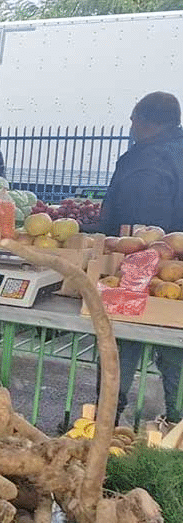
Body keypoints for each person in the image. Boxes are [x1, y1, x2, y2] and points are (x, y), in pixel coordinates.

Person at [96, 91, 183, 423]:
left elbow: (139, 230)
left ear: (149, 123)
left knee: (119, 347)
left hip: (140, 273)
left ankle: (105, 422)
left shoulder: (146, 161)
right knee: (176, 349)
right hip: (175, 278)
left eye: (134, 118)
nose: (130, 125)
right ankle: (176, 425)